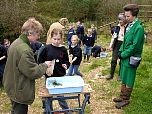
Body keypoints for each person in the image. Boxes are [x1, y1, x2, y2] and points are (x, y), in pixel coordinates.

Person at [2, 18, 52, 114]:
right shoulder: (25, 50)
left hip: (11, 84)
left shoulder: (16, 42)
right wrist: (45, 65)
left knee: (15, 110)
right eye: (37, 34)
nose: (38, 37)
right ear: (30, 33)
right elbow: (33, 72)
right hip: (18, 89)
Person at [113, 4, 145, 109]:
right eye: (125, 16)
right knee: (124, 76)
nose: (125, 18)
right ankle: (122, 96)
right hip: (125, 56)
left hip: (131, 58)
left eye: (128, 16)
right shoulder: (129, 25)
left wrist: (123, 54)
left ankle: (126, 99)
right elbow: (125, 40)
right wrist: (120, 51)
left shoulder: (139, 28)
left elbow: (135, 46)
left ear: (134, 15)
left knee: (129, 78)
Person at [38, 28, 71, 114]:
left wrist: (66, 65)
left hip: (60, 76)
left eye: (58, 39)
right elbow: (40, 61)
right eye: (54, 39)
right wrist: (45, 64)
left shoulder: (63, 49)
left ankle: (66, 111)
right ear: (51, 38)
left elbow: (67, 61)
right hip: (49, 77)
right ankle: (48, 111)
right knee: (48, 96)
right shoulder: (46, 48)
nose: (56, 41)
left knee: (61, 96)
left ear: (61, 38)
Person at [106, 13, 127, 80]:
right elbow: (113, 37)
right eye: (119, 20)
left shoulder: (128, 27)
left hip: (124, 45)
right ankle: (111, 74)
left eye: (121, 20)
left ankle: (120, 75)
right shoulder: (117, 27)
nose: (120, 21)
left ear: (125, 20)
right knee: (113, 60)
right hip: (117, 44)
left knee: (122, 61)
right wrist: (111, 46)